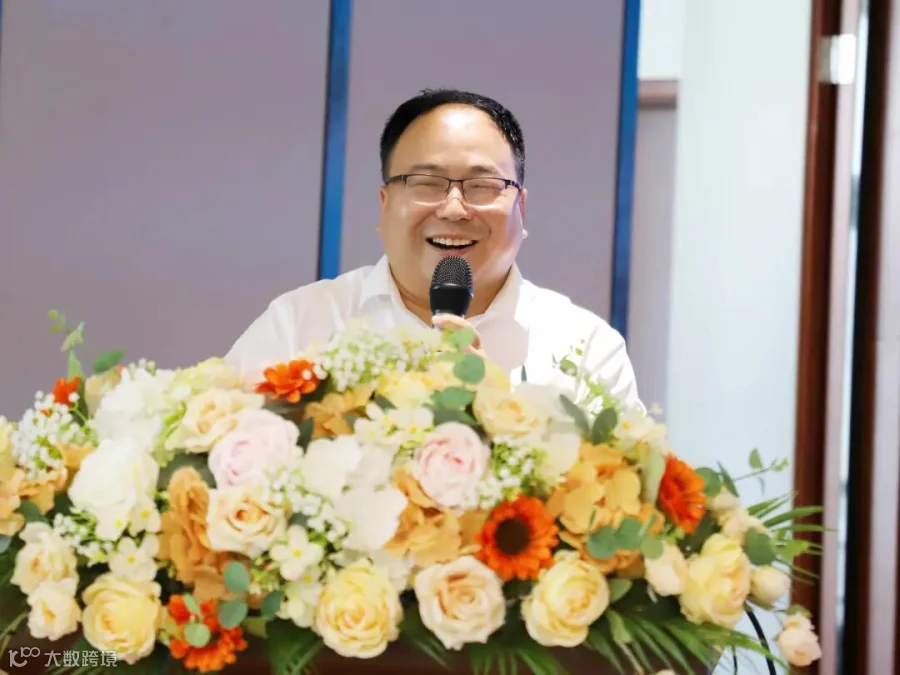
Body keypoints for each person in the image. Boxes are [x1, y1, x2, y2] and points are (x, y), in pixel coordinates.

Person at [224, 88, 642, 410]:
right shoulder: (299, 326)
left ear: (522, 208)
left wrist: (495, 414)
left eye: (483, 185)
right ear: (385, 204)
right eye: (426, 183)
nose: (454, 208)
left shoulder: (585, 347)